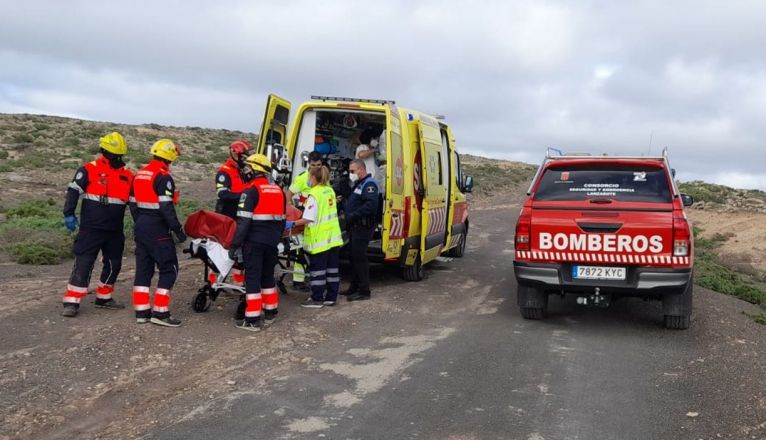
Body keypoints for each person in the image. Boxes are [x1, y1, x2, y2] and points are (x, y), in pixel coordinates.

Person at [61, 132, 133, 317]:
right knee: (84, 262)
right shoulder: (88, 169)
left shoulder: (127, 176)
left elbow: (134, 203)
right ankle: (72, 301)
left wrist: (140, 223)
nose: (115, 157)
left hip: (115, 229)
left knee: (114, 264)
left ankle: (104, 297)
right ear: (103, 151)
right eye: (111, 153)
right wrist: (68, 213)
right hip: (91, 227)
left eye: (118, 154)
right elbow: (73, 191)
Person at [130, 139, 186, 327]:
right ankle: (161, 313)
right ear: (169, 156)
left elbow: (132, 203)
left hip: (141, 225)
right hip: (158, 227)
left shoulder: (139, 174)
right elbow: (166, 206)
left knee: (144, 268)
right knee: (169, 267)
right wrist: (177, 229)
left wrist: (140, 221)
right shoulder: (163, 176)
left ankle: (141, 311)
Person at [229, 153, 287, 332]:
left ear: (255, 170)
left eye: (248, 168)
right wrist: (277, 238)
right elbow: (283, 220)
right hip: (272, 242)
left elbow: (243, 222)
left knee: (253, 278)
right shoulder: (278, 190)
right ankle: (271, 311)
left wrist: (234, 245)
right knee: (268, 276)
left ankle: (252, 318)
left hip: (254, 242)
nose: (245, 171)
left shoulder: (250, 191)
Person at [293, 166, 344, 308]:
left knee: (318, 271)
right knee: (332, 269)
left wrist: (292, 224)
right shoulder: (330, 190)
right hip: (333, 238)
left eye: (309, 177)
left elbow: (308, 218)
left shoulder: (314, 194)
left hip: (320, 240)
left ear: (314, 178)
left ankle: (316, 299)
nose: (308, 179)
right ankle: (331, 297)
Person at [213, 139, 252, 285]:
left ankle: (238, 282)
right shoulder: (224, 172)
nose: (246, 159)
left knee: (240, 251)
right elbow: (222, 194)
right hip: (226, 215)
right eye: (244, 156)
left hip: (240, 214)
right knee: (222, 249)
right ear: (236, 155)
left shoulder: (242, 171)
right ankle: (213, 282)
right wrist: (243, 196)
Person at [285, 151, 324, 291]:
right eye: (313, 165)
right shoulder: (303, 178)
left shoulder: (323, 176)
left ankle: (309, 275)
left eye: (319, 165)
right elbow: (289, 194)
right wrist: (291, 211)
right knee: (300, 249)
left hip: (317, 217)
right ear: (309, 164)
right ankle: (298, 280)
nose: (316, 167)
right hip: (304, 215)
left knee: (313, 248)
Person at [344, 159, 379, 301]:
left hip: (363, 226)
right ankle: (354, 287)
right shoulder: (359, 184)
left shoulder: (369, 184)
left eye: (352, 171)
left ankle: (364, 290)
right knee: (353, 257)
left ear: (361, 169)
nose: (351, 174)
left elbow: (371, 205)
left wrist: (353, 215)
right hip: (355, 226)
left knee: (360, 258)